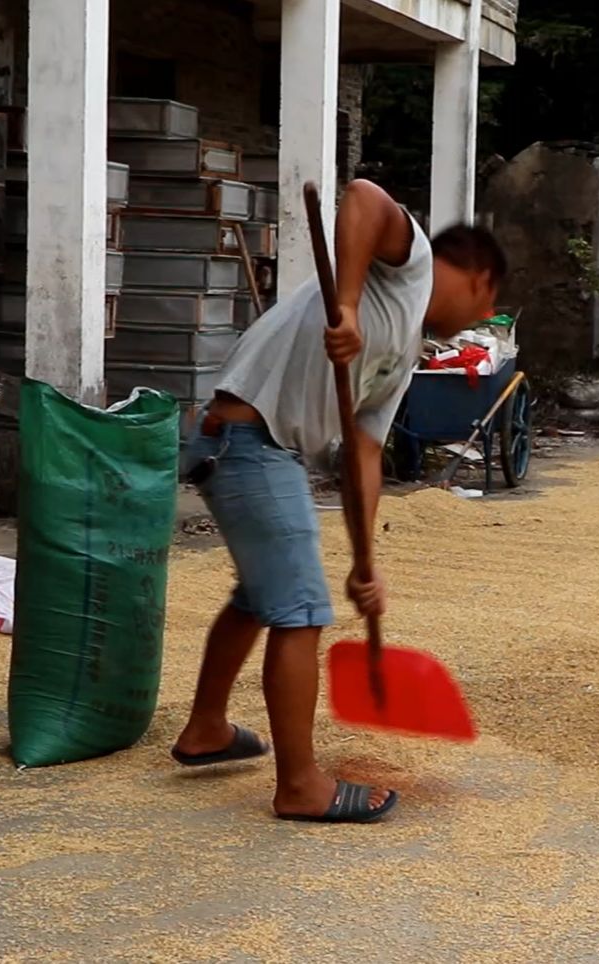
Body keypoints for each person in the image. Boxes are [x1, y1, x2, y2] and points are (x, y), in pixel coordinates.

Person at [174, 178, 506, 823]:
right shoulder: (405, 270)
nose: (478, 320)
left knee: (259, 597)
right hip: (248, 437)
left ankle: (206, 729)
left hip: (257, 447)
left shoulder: (404, 350)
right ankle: (300, 785)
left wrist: (363, 561)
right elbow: (362, 196)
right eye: (486, 305)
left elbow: (363, 454)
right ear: (481, 280)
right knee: (299, 612)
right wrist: (348, 305)